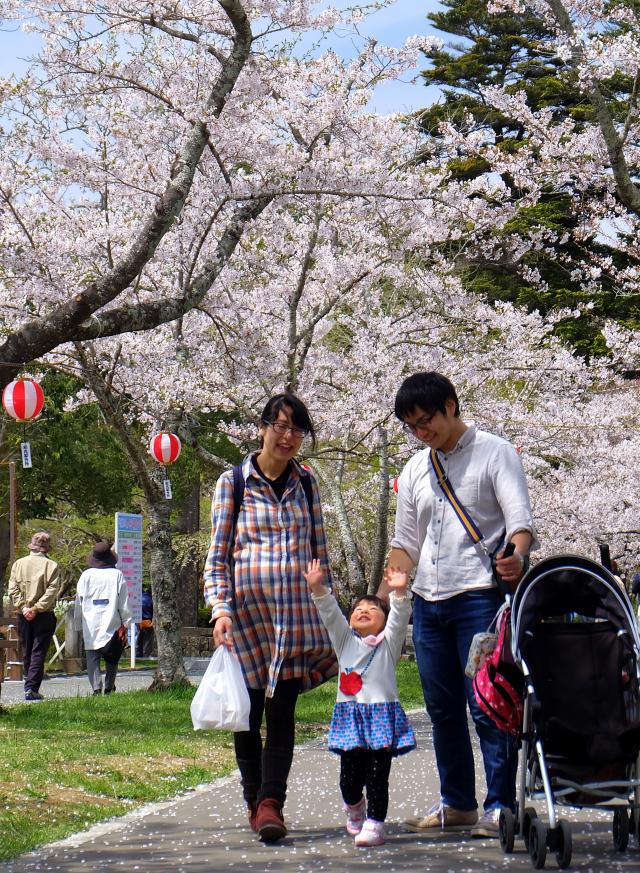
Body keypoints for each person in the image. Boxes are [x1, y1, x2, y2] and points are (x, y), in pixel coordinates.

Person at [381, 371, 537, 838]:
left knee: (489, 705)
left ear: (451, 405)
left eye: (426, 420)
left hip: (480, 599)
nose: (421, 432)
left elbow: (520, 524)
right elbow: (405, 540)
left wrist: (518, 556)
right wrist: (393, 581)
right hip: (429, 602)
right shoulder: (414, 469)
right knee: (442, 708)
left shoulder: (495, 452)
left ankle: (500, 806)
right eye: (411, 426)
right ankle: (457, 803)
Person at [203, 393, 336, 844]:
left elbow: (319, 552)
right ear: (262, 427)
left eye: (298, 430)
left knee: (282, 712)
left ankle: (270, 804)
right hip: (247, 618)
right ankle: (252, 798)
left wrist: (329, 610)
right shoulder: (234, 483)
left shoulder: (307, 483)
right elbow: (217, 556)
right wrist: (220, 608)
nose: (288, 437)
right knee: (248, 711)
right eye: (281, 426)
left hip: (296, 616)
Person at [305, 560, 416, 847]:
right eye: (358, 610)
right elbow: (330, 614)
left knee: (378, 777)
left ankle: (375, 824)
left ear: (383, 618)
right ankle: (355, 807)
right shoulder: (344, 642)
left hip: (380, 718)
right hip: (351, 718)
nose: (364, 611)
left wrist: (400, 592)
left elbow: (400, 616)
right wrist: (317, 587)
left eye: (372, 609)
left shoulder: (389, 644)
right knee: (349, 780)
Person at [75, 541, 132, 695]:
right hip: (111, 619)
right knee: (112, 655)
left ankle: (96, 688)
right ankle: (109, 687)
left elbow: (78, 602)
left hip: (90, 621)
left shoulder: (86, 575)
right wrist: (126, 622)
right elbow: (123, 601)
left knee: (92, 656)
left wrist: (78, 624)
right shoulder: (117, 575)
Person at [7, 531, 59, 701]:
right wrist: (36, 608)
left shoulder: (18, 564)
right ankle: (31, 688)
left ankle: (28, 686)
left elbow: (12, 589)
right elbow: (52, 591)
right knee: (38, 651)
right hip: (43, 614)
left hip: (23, 614)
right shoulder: (51, 566)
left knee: (27, 650)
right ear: (46, 548)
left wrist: (24, 608)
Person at [136, 587, 154, 658]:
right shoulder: (149, 598)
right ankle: (146, 656)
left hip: (139, 621)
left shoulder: (137, 598)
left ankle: (138, 656)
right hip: (148, 621)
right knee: (148, 641)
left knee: (139, 640)